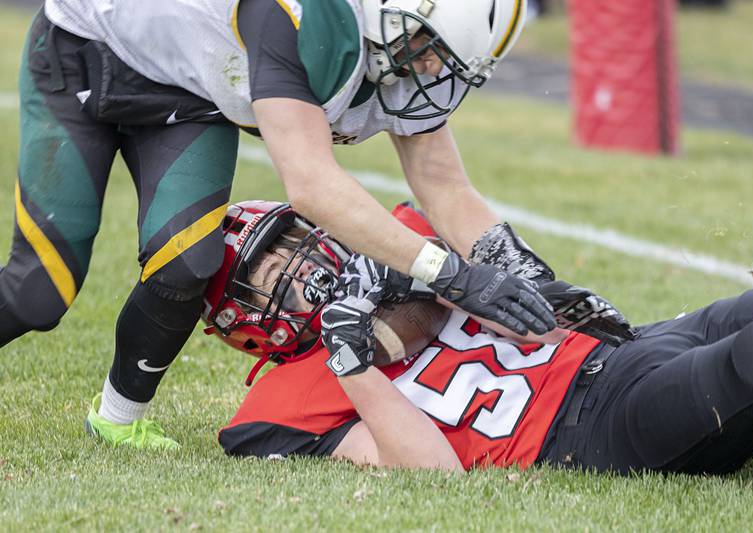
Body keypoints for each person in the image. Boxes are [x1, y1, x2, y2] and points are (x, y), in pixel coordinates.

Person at [0, 0, 588, 449]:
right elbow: (311, 184)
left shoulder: (397, 43)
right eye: (426, 47)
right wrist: (450, 273)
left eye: (444, 60)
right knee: (39, 292)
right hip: (85, 55)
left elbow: (445, 186)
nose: (431, 69)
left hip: (187, 93)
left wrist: (526, 277)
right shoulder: (304, 19)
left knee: (188, 263)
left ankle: (116, 422)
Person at [209, 200, 753, 474]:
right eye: (272, 279)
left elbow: (516, 309)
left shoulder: (394, 248)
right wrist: (352, 362)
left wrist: (415, 275)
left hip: (624, 348)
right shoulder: (280, 409)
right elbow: (433, 472)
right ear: (248, 326)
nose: (303, 270)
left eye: (293, 245)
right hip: (589, 428)